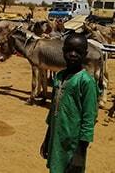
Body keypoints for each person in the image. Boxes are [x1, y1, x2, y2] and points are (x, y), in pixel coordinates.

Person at [40, 33, 99, 173]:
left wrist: (79, 154)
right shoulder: (59, 77)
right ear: (63, 51)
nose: (73, 54)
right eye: (69, 50)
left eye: (78, 52)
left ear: (85, 54)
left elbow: (89, 120)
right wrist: (47, 139)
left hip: (74, 145)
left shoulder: (86, 82)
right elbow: (53, 112)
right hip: (57, 141)